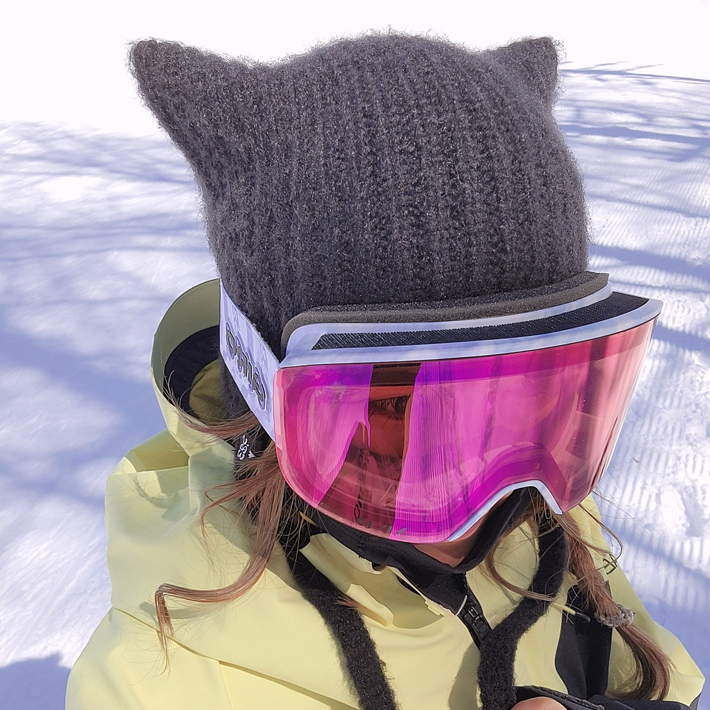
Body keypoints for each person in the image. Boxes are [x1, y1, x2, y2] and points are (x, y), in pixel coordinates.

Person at [66, 34, 704, 710]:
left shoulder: (544, 512)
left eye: (532, 398)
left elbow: (657, 679)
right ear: (268, 396)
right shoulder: (160, 680)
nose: (483, 498)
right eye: (395, 417)